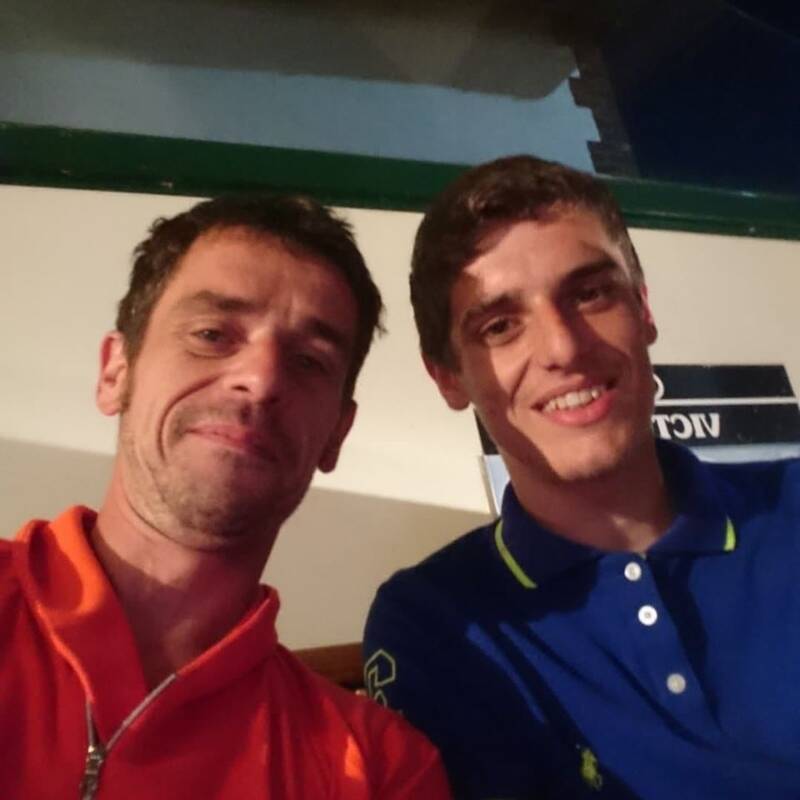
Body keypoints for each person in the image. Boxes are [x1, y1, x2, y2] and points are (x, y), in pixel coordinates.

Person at [363, 155, 800, 799]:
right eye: (500, 326)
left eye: (590, 294)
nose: (564, 348)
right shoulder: (434, 622)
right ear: (448, 377)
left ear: (642, 308)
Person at [0, 194, 451, 799]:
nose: (261, 381)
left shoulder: (379, 771)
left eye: (309, 361)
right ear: (115, 373)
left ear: (336, 435)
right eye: (212, 334)